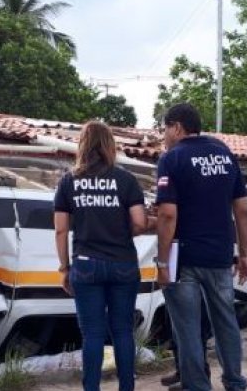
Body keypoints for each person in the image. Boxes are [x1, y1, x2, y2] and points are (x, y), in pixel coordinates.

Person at [155, 103, 247, 391]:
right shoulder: (224, 153)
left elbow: (167, 214)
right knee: (226, 322)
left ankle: (197, 386)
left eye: (164, 129)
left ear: (177, 127)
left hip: (184, 257)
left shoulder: (172, 159)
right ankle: (234, 381)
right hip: (221, 255)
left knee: (187, 329)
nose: (163, 136)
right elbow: (243, 210)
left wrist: (161, 263)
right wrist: (244, 254)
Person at [53, 120, 150, 391]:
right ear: (110, 145)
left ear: (82, 145)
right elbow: (140, 223)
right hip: (123, 264)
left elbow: (61, 231)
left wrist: (64, 268)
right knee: (122, 331)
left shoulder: (69, 182)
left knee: (93, 334)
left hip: (85, 266)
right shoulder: (126, 180)